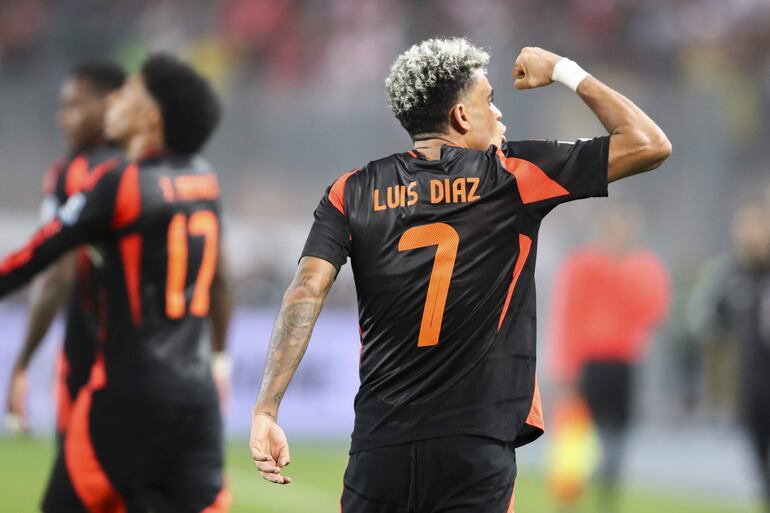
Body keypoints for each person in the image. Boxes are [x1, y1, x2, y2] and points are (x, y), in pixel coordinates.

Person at [249, 38, 671, 513]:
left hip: (379, 446)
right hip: (474, 447)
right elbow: (649, 143)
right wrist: (562, 69)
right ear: (461, 117)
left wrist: (267, 409)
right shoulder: (513, 176)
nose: (500, 115)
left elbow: (306, 288)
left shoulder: (352, 190)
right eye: (489, 101)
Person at [0, 54, 231, 513]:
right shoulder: (204, 177)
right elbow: (222, 282)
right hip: (196, 404)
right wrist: (220, 360)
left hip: (126, 396)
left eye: (128, 93)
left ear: (149, 116)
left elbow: (37, 258)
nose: (115, 102)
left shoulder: (119, 183)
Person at [4, 62, 125, 439]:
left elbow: (57, 271)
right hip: (157, 358)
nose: (61, 118)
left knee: (74, 492)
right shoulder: (153, 164)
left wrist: (22, 362)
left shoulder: (72, 173)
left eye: (73, 105)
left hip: (91, 356)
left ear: (109, 105)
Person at [547, 206, 670, 512]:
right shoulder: (583, 267)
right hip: (589, 362)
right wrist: (566, 364)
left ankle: (607, 494)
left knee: (616, 432)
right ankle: (570, 495)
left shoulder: (642, 268)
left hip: (623, 361)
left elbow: (654, 310)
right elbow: (569, 315)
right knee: (578, 433)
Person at [689, 200, 770, 513]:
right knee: (758, 450)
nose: (750, 235)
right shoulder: (730, 274)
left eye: (757, 228)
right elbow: (705, 318)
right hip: (750, 383)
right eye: (744, 228)